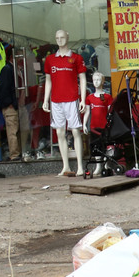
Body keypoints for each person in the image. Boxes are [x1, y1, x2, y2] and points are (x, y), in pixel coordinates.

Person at [42, 30, 87, 176]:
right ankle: (65, 166)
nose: (59, 40)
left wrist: (83, 99)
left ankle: (80, 166)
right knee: (59, 132)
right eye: (57, 38)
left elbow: (83, 78)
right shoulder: (50, 60)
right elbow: (48, 81)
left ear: (68, 38)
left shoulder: (76, 58)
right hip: (56, 100)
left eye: (62, 37)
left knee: (75, 131)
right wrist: (45, 100)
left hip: (72, 99)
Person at [83, 72, 113, 175]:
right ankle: (98, 166)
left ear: (103, 81)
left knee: (106, 146)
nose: (96, 82)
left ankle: (106, 165)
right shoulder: (89, 97)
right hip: (93, 126)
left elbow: (110, 112)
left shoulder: (107, 97)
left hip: (104, 126)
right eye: (94, 79)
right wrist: (84, 124)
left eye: (98, 79)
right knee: (95, 147)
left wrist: (110, 124)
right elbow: (87, 112)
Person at [0, 47, 21, 161]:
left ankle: (18, 152)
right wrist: (9, 103)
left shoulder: (16, 69)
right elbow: (3, 88)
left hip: (17, 105)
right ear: (12, 57)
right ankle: (14, 154)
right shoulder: (7, 70)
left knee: (16, 130)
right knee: (12, 130)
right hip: (11, 106)